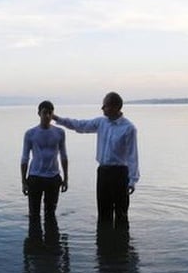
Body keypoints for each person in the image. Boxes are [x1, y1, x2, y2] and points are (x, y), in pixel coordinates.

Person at [52, 92, 138, 227]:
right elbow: (80, 125)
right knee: (103, 212)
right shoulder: (101, 122)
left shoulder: (128, 128)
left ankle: (122, 244)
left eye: (105, 105)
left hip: (120, 173)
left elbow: (133, 156)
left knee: (121, 213)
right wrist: (57, 118)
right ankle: (104, 244)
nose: (102, 108)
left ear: (115, 107)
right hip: (103, 172)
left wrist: (132, 180)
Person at [21, 100, 68, 240]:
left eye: (49, 113)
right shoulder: (30, 133)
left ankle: (52, 244)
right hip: (35, 177)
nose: (47, 116)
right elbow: (24, 158)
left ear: (52, 114)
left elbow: (64, 156)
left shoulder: (59, 132)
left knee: (50, 213)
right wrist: (23, 181)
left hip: (53, 178)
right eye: (44, 113)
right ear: (39, 114)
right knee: (34, 214)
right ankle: (34, 245)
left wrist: (66, 178)